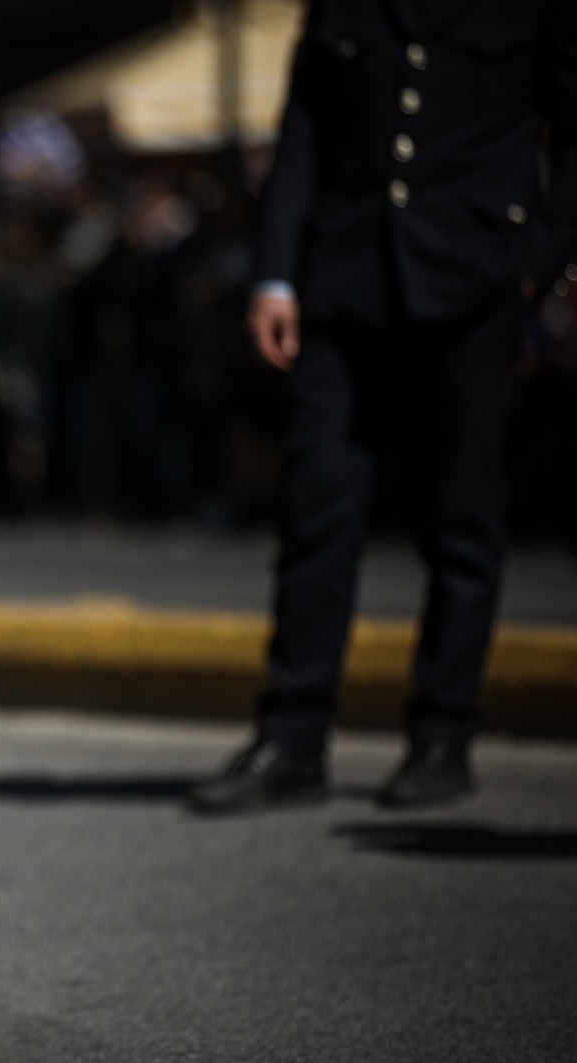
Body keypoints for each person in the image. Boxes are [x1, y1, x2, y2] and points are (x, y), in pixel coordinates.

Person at [191, 0, 577, 813]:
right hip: (345, 279)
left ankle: (443, 733)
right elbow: (304, 129)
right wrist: (275, 274)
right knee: (317, 506)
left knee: (461, 516)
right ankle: (292, 736)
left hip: (474, 280)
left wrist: (536, 268)